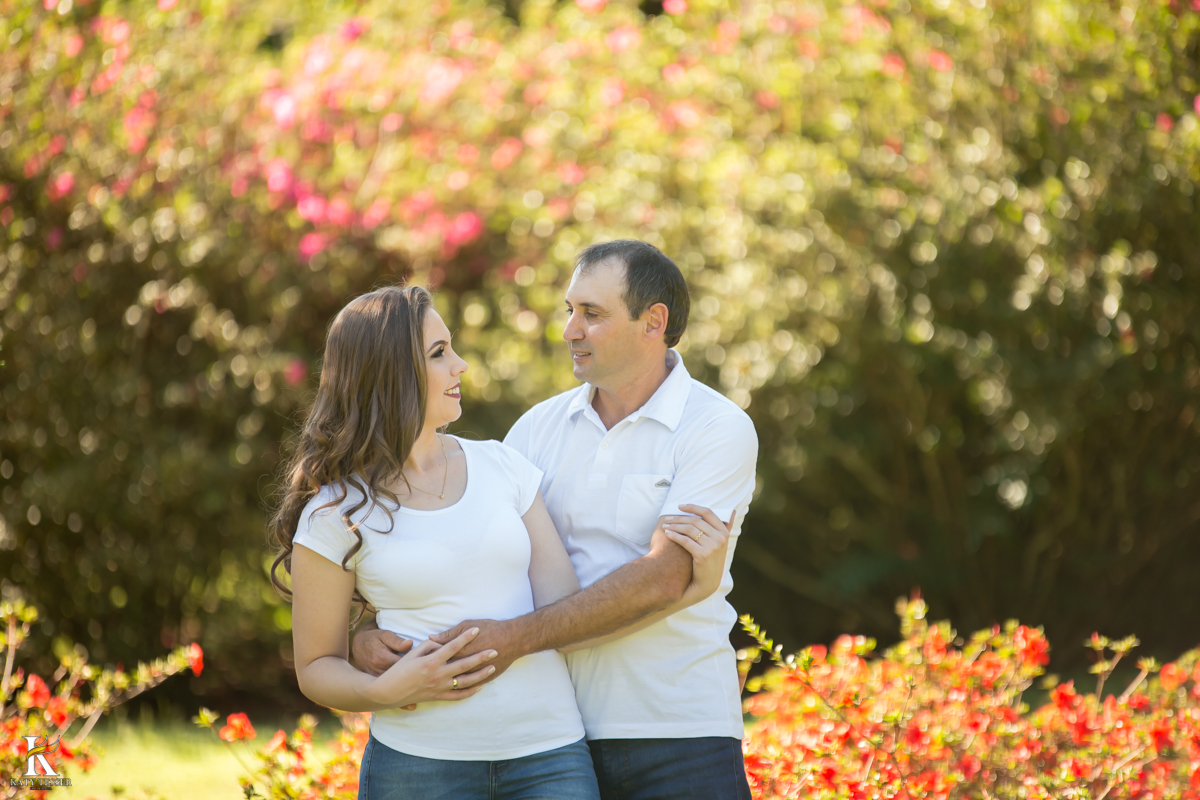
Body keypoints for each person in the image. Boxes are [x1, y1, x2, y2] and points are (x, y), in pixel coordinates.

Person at [269, 284, 733, 800]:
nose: (461, 365)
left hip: (551, 761)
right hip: (419, 768)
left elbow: (565, 618)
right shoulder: (336, 511)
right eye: (440, 353)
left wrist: (693, 589)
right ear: (391, 372)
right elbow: (316, 667)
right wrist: (382, 687)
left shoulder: (503, 466)